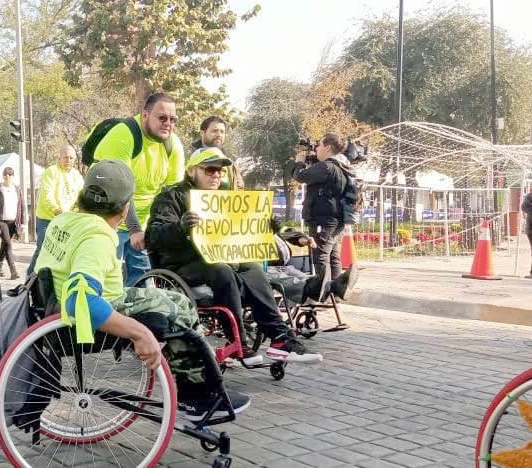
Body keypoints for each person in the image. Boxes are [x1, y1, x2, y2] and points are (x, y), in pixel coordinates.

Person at [33, 160, 249, 421]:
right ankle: (197, 395)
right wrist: (139, 332)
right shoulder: (98, 235)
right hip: (95, 312)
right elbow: (81, 299)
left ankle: (189, 377)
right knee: (181, 310)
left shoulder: (62, 221)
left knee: (177, 300)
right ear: (125, 208)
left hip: (53, 309)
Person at [146, 148, 322, 364]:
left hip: (222, 256)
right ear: (192, 171)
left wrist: (269, 226)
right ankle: (237, 341)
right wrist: (179, 227)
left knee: (253, 268)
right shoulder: (171, 197)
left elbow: (245, 229)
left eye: (220, 171)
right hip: (182, 263)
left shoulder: (227, 195)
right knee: (222, 270)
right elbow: (153, 237)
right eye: (210, 170)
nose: (216, 175)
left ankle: (280, 338)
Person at [94, 92, 185, 286]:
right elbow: (118, 189)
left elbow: (173, 193)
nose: (168, 124)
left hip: (143, 225)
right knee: (104, 281)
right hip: (108, 220)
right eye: (162, 118)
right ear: (145, 115)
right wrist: (134, 228)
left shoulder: (173, 145)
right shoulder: (123, 135)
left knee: (143, 282)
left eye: (172, 119)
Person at [292, 133, 352, 284]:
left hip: (323, 220)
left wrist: (299, 162)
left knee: (321, 256)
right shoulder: (342, 166)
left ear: (328, 147)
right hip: (337, 219)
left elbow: (300, 176)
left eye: (319, 145)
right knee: (333, 256)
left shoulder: (326, 167)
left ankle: (324, 290)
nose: (316, 148)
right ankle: (336, 291)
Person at [27, 144, 84, 276]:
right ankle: (29, 279)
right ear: (59, 158)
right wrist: (57, 210)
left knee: (62, 252)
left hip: (66, 221)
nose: (68, 160)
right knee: (43, 249)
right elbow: (47, 195)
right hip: (47, 219)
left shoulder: (76, 175)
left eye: (71, 158)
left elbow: (81, 196)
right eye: (65, 157)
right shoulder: (52, 171)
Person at [0, 167, 25, 280]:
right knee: (8, 244)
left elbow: (22, 207)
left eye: (10, 174)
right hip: (1, 222)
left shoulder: (17, 189)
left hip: (13, 222)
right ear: (3, 176)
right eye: (5, 174)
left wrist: (23, 223)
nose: (7, 176)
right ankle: (13, 271)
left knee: (4, 245)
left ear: (13, 176)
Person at [192, 115, 243, 190]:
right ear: (202, 133)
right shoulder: (189, 158)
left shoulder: (230, 162)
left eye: (222, 132)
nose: (219, 135)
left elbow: (239, 188)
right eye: (215, 131)